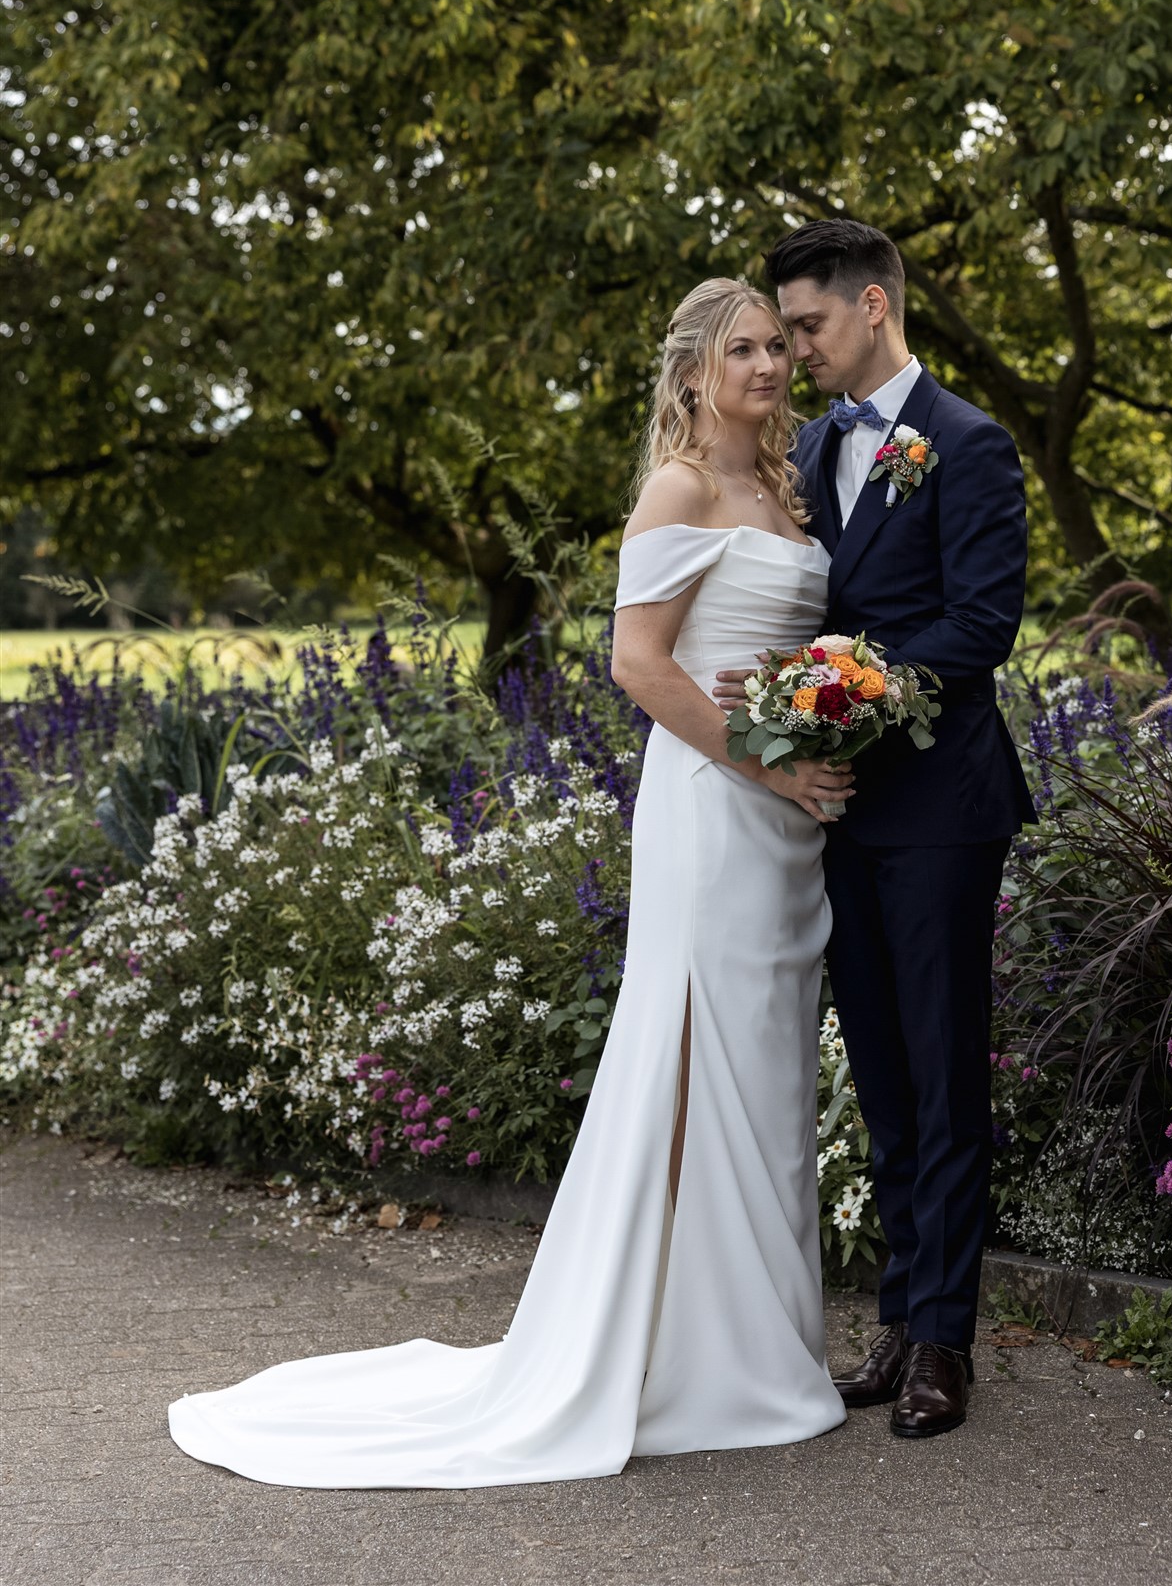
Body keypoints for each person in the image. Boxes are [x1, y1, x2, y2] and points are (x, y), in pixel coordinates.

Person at [166, 277, 856, 1489]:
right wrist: (773, 761)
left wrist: (821, 715)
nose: (766, 364)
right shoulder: (679, 487)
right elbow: (638, 664)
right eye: (741, 348)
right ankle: (702, 1358)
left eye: (773, 346)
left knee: (766, 1062)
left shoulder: (783, 485)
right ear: (693, 371)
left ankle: (756, 1339)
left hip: (783, 818)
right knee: (702, 1050)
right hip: (714, 806)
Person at [714, 219, 1036, 1440]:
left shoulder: (970, 441)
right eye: (782, 330)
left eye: (805, 325)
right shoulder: (806, 447)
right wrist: (779, 699)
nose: (793, 349)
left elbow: (982, 624)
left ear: (872, 305)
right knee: (885, 1077)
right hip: (835, 809)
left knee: (945, 1072)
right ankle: (899, 1316)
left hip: (942, 807)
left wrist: (842, 684)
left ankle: (946, 1341)